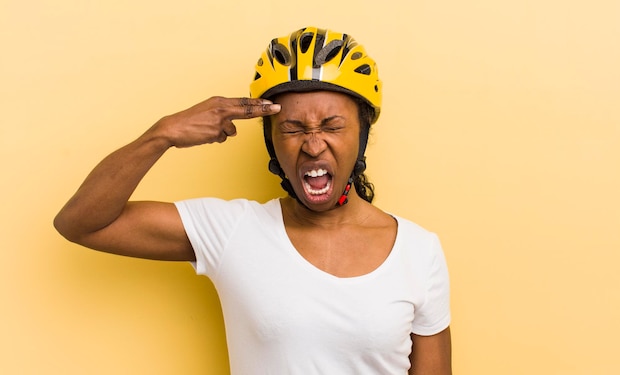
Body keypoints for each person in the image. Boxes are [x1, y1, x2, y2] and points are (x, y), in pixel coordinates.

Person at [54, 26, 452, 375]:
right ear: (271, 141)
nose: (313, 145)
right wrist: (163, 134)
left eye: (332, 126)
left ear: (362, 134)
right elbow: (82, 223)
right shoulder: (233, 232)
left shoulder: (418, 251)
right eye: (293, 128)